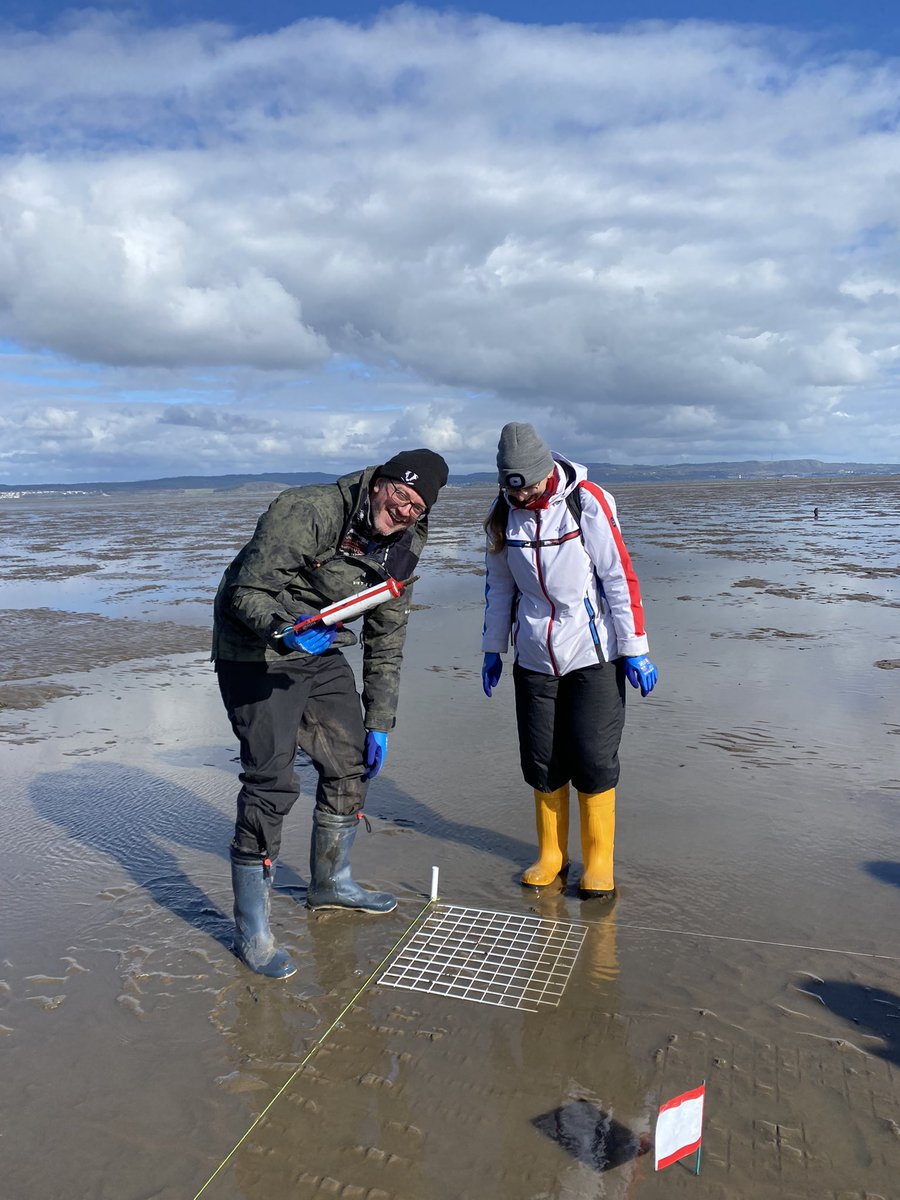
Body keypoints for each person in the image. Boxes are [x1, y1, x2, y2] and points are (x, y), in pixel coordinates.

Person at [212, 448, 449, 978]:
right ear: (380, 482)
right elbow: (245, 593)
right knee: (271, 783)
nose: (405, 511)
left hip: (317, 649)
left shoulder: (406, 544)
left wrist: (381, 721)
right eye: (400, 496)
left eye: (418, 507)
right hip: (255, 648)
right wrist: (285, 629)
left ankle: (330, 884)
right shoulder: (309, 510)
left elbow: (388, 636)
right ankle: (251, 929)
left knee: (349, 760)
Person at [480, 423, 657, 901]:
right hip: (535, 658)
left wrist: (636, 650)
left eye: (530, 486)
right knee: (542, 759)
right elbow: (500, 587)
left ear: (545, 471)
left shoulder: (588, 502)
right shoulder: (504, 513)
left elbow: (619, 578)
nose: (522, 496)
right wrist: (493, 648)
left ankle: (599, 861)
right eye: (512, 488)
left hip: (592, 655)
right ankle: (551, 856)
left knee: (594, 759)